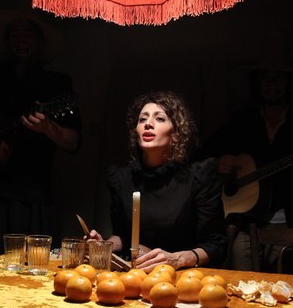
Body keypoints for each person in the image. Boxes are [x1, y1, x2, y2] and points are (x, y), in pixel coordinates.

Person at [0, 9, 82, 259]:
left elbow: (74, 141)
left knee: (29, 267)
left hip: (30, 198)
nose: (21, 39)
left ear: (39, 42)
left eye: (28, 33)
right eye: (15, 34)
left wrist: (48, 128)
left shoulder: (56, 83)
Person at [200, 50, 293, 272]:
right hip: (245, 221)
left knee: (287, 284)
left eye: (279, 77)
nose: (271, 83)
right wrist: (221, 164)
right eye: (265, 77)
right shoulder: (243, 120)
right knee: (241, 282)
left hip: (291, 223)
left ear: (290, 83)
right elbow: (205, 153)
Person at [88, 90, 228, 272]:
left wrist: (178, 259)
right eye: (142, 119)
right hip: (138, 274)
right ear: (136, 131)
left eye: (160, 118)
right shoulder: (121, 179)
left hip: (183, 276)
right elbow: (124, 236)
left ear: (176, 134)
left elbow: (216, 245)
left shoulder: (199, 176)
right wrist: (104, 245)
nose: (148, 124)